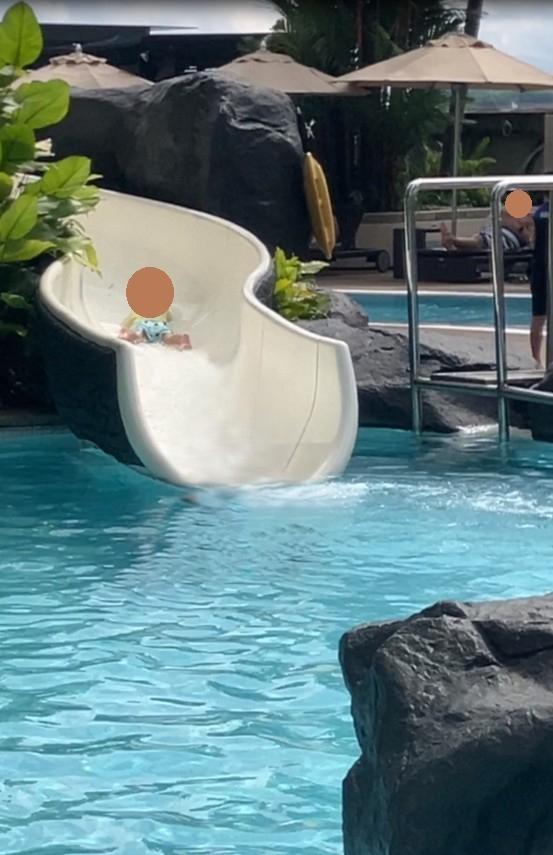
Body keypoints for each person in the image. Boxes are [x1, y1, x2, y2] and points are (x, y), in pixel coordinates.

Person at [440, 208, 534, 253]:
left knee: (483, 241)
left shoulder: (527, 223)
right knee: (480, 239)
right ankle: (454, 245)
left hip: (509, 240)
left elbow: (529, 239)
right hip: (498, 233)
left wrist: (522, 229)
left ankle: (455, 241)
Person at [530, 198, 549, 368]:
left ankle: (536, 360)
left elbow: (532, 240)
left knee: (538, 317)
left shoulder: (539, 212)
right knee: (539, 318)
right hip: (545, 267)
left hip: (539, 267)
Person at [118, 309, 191, 350]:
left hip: (145, 324)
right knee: (167, 338)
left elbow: (124, 324)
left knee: (139, 334)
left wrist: (123, 329)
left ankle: (129, 336)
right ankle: (181, 340)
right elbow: (170, 319)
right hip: (161, 325)